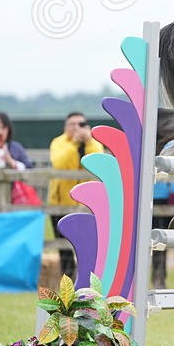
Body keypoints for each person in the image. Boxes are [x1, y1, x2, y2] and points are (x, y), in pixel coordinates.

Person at [49, 112, 104, 280]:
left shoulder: (93, 143)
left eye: (80, 124)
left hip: (87, 204)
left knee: (88, 245)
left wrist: (88, 142)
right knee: (64, 247)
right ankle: (68, 281)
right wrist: (73, 143)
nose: (76, 127)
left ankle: (89, 278)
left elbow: (98, 159)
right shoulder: (59, 142)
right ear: (65, 127)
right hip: (60, 202)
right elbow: (59, 162)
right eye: (72, 124)